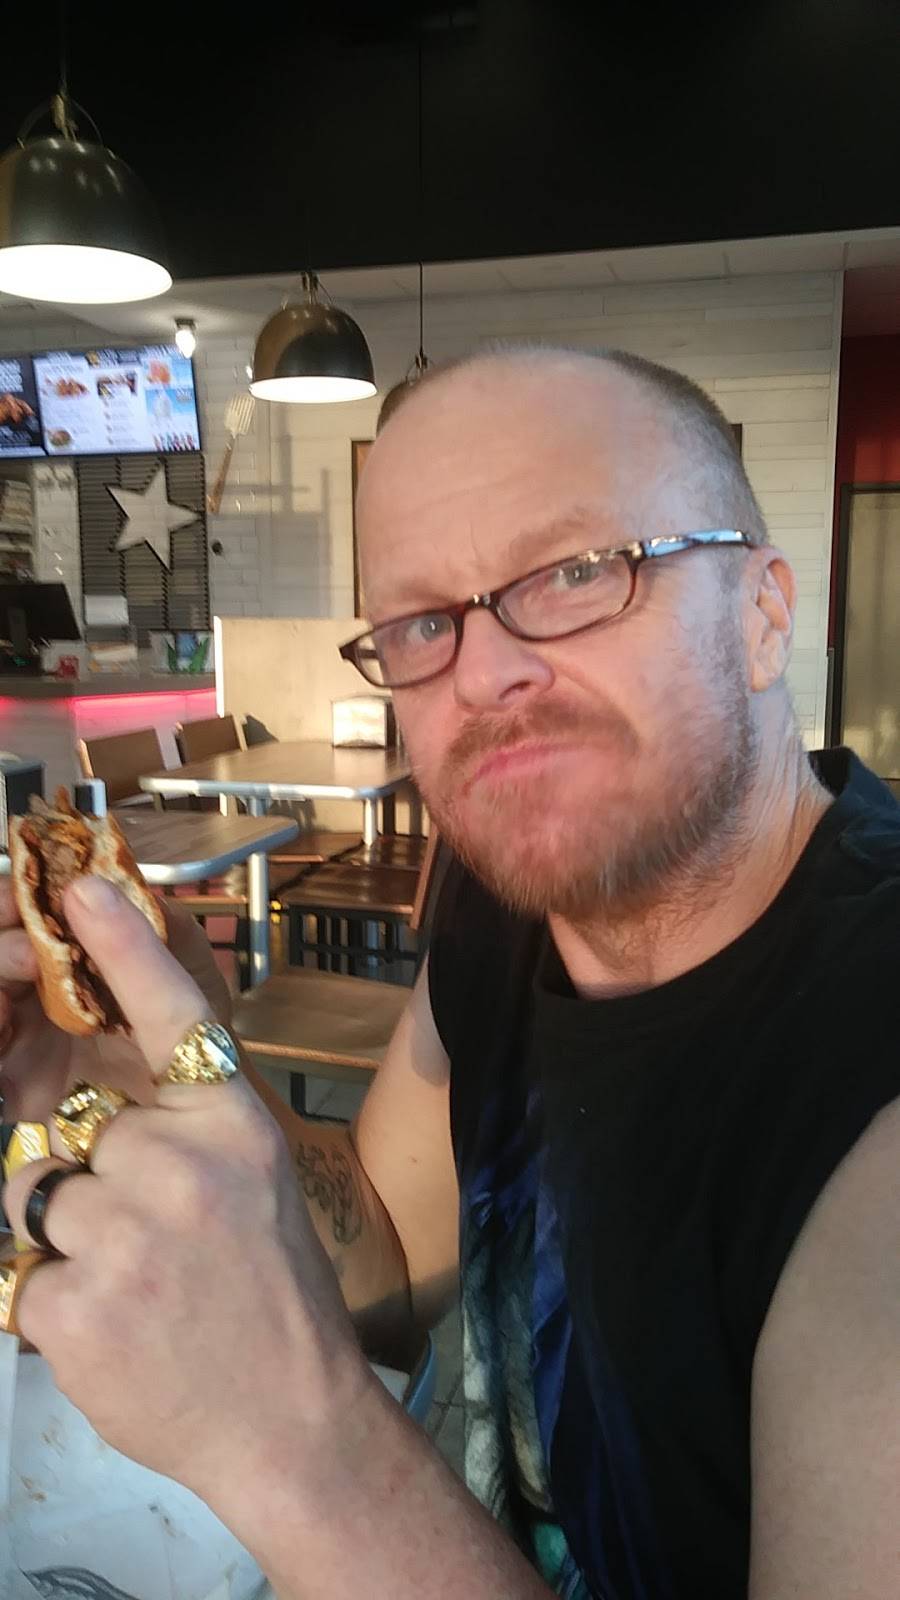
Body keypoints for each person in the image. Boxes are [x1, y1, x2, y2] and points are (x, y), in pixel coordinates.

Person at [2, 346, 899, 1600]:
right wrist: (176, 1061)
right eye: (423, 622)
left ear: (764, 615)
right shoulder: (512, 899)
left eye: (579, 571)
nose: (484, 676)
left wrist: (296, 1443)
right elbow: (381, 1263)